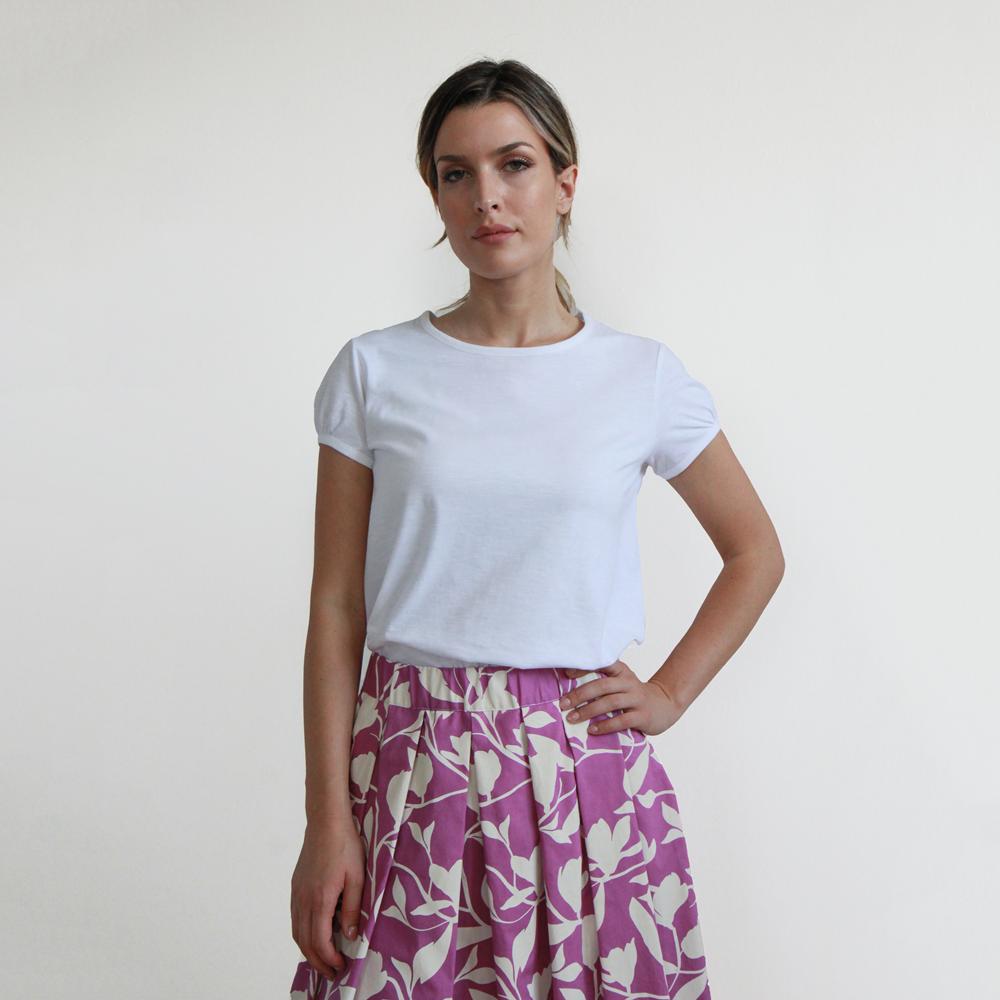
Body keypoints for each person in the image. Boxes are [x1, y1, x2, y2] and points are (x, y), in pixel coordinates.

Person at [289, 58, 784, 1000]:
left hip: (583, 773)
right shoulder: (374, 371)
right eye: (456, 173)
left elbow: (755, 552)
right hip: (411, 765)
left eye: (514, 164)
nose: (487, 196)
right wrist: (327, 821)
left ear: (565, 182)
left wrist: (670, 692)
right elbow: (337, 604)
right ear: (435, 195)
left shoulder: (640, 377)